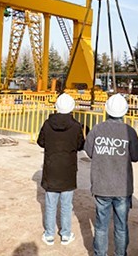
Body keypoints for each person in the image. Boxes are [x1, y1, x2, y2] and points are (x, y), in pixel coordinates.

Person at [84, 94, 138, 256]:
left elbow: (89, 151)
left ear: (107, 110)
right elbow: (136, 156)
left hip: (101, 185)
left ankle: (99, 253)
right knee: (121, 226)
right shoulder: (129, 131)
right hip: (122, 187)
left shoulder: (97, 129)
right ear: (124, 111)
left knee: (101, 226)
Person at [37, 93, 85, 246]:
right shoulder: (76, 126)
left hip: (51, 169)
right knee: (66, 205)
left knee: (50, 204)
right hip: (68, 171)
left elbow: (41, 142)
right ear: (72, 107)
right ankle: (65, 234)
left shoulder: (47, 124)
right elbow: (80, 145)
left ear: (56, 106)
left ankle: (49, 235)